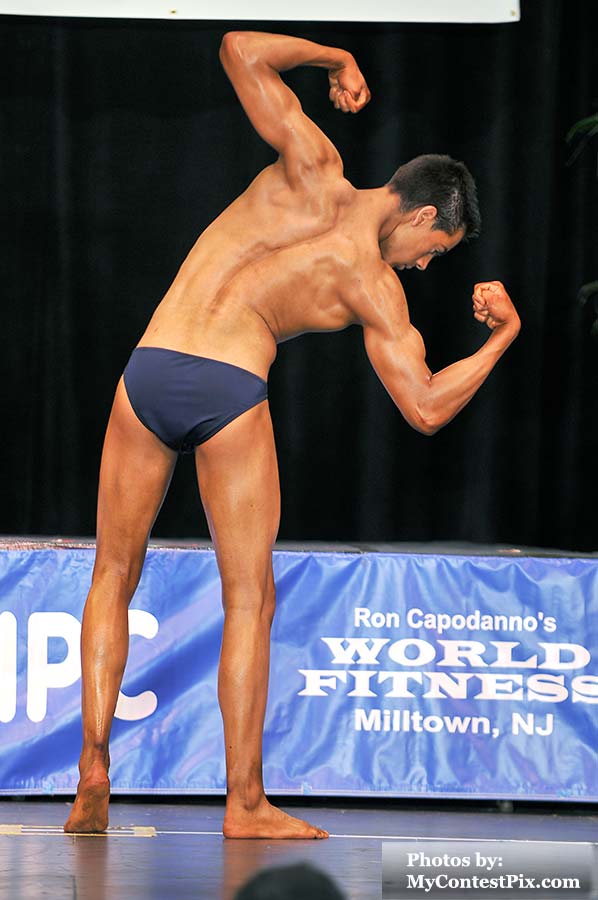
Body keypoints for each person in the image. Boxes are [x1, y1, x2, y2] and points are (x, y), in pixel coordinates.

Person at [64, 30, 520, 839]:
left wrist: (336, 60)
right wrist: (500, 339)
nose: (423, 267)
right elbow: (424, 407)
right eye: (435, 250)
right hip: (228, 386)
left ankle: (92, 765)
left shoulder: (310, 160)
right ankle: (244, 805)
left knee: (113, 572)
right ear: (423, 213)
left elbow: (239, 48)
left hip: (150, 368)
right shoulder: (373, 286)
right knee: (249, 598)